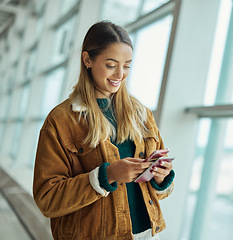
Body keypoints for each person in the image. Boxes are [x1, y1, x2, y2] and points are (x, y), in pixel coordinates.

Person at [33, 21, 174, 240]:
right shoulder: (60, 120)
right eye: (111, 64)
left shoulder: (142, 114)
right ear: (87, 60)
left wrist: (162, 178)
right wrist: (106, 176)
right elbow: (47, 198)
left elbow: (159, 192)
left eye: (127, 65)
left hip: (145, 234)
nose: (120, 74)